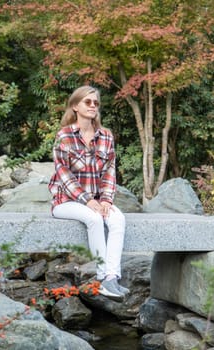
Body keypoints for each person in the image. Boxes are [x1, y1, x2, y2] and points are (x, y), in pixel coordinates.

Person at [48, 85, 129, 300]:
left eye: (96, 103)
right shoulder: (64, 136)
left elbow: (109, 172)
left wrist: (106, 200)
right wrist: (87, 201)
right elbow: (63, 173)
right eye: (88, 102)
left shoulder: (106, 136)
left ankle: (112, 278)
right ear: (75, 106)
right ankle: (103, 277)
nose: (93, 106)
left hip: (95, 200)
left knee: (118, 219)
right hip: (65, 201)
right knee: (94, 219)